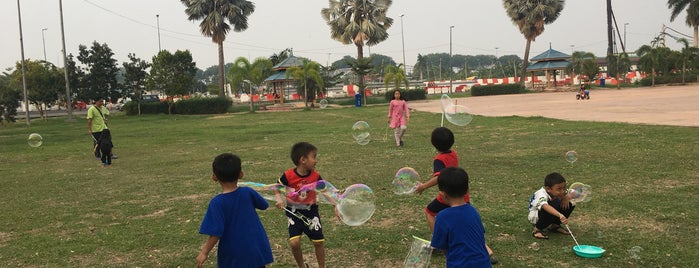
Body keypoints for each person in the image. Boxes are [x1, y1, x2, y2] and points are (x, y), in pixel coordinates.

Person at [415, 127, 497, 264]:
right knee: (468, 224)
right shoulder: (453, 153)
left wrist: (423, 186)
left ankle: (437, 242)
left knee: (430, 211)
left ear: (433, 144)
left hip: (450, 195)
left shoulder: (439, 160)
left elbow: (439, 176)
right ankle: (487, 250)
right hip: (461, 194)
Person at [196, 153, 274, 268]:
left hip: (234, 255)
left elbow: (216, 232)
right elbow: (264, 205)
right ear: (241, 174)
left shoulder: (217, 203)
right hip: (255, 248)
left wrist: (204, 252)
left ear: (214, 177)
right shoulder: (248, 192)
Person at [274, 142, 334, 268]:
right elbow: (277, 187)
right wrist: (279, 198)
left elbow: (325, 191)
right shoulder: (288, 175)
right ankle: (302, 266)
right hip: (293, 212)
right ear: (303, 160)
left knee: (318, 242)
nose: (316, 161)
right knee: (294, 243)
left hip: (311, 212)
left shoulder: (316, 176)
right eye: (314, 157)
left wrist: (335, 205)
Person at [430, 167, 492, 268]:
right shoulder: (473, 211)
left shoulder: (443, 216)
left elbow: (441, 245)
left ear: (443, 195)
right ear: (467, 190)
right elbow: (479, 238)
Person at [528, 172, 575, 239]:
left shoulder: (561, 191)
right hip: (535, 216)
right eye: (559, 189)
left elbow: (572, 192)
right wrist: (559, 215)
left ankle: (555, 226)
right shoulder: (541, 194)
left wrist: (566, 197)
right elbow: (545, 206)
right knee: (553, 204)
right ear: (548, 189)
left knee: (570, 202)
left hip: (550, 210)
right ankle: (537, 229)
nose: (562, 191)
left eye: (564, 188)